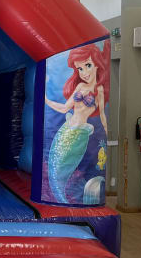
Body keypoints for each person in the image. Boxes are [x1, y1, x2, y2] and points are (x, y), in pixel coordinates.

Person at [44, 41, 110, 203]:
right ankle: (59, 197)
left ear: (96, 64)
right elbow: (65, 108)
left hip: (80, 133)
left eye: (88, 65)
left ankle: (65, 198)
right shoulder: (80, 86)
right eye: (80, 68)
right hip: (66, 129)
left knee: (68, 165)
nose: (84, 72)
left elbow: (102, 115)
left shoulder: (99, 90)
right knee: (55, 163)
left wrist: (107, 134)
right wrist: (46, 99)